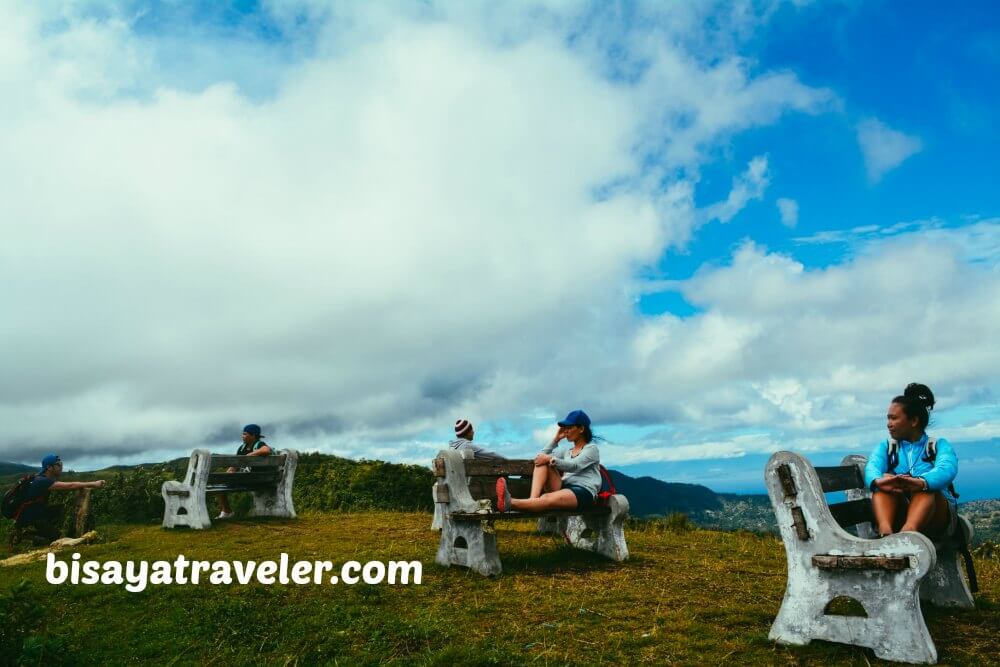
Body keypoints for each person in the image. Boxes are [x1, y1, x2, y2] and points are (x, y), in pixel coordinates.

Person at [864, 383, 958, 538]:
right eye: (888, 418)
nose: (889, 424)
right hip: (901, 513)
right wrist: (878, 481)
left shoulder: (937, 445)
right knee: (883, 487)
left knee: (926, 490)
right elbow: (872, 466)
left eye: (894, 418)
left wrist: (921, 482)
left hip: (937, 517)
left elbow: (947, 468)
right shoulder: (887, 447)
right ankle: (885, 534)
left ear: (914, 421)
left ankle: (908, 535)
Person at [496, 410, 600, 513]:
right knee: (542, 461)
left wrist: (550, 459)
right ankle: (533, 500)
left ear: (581, 428)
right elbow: (538, 458)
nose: (566, 431)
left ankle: (510, 502)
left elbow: (575, 466)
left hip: (583, 491)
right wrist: (555, 440)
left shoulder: (591, 449)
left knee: (546, 498)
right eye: (565, 428)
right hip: (564, 487)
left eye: (570, 427)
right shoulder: (567, 452)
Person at [14, 454, 105, 544]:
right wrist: (94, 484)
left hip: (34, 513)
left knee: (62, 509)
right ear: (49, 467)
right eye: (58, 464)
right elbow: (70, 485)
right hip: (30, 517)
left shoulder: (41, 478)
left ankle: (42, 533)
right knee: (55, 537)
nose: (61, 467)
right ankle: (26, 535)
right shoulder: (42, 481)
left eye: (61, 464)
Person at [216, 424, 273, 520]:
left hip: (256, 480)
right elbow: (235, 466)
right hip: (250, 479)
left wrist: (251, 454)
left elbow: (267, 450)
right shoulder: (241, 448)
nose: (242, 436)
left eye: (245, 434)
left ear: (253, 435)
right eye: (243, 434)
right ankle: (226, 511)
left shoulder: (259, 445)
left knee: (219, 485)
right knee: (220, 483)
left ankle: (227, 512)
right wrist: (228, 473)